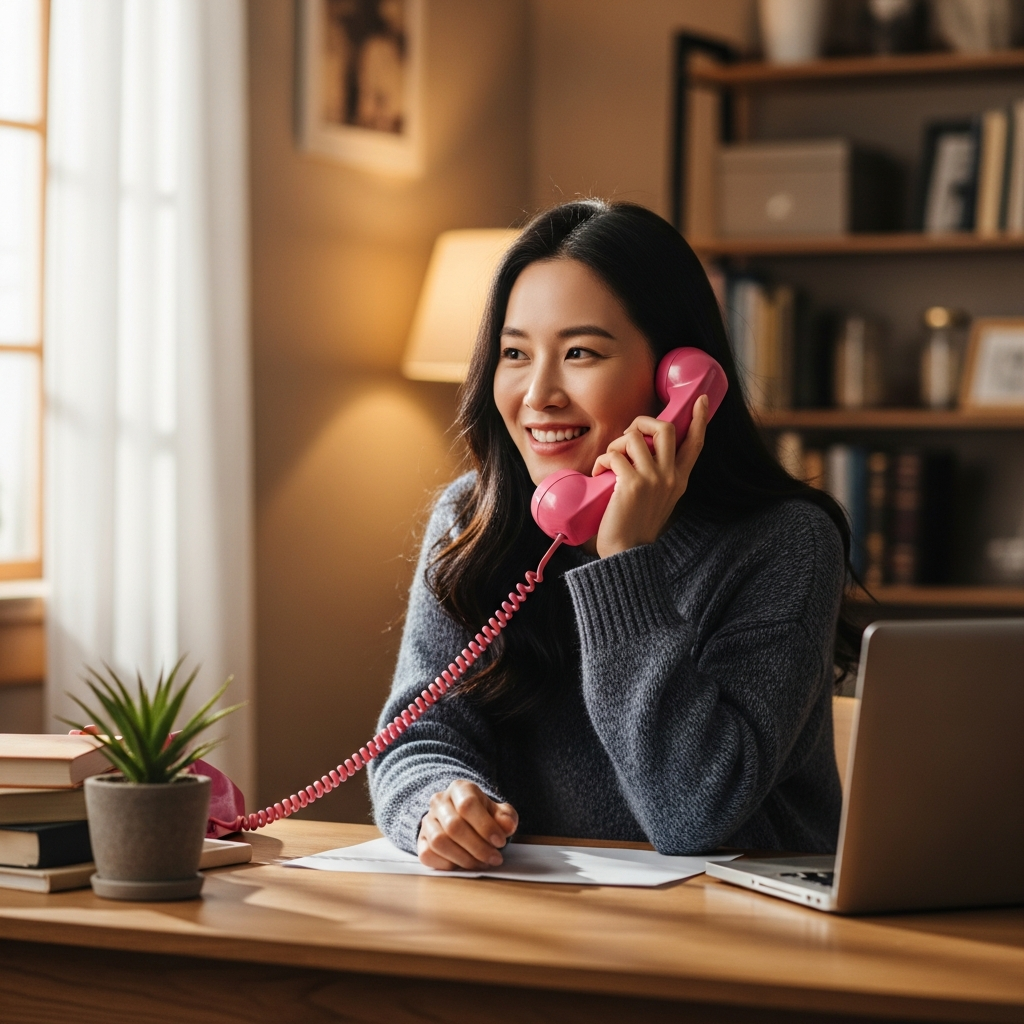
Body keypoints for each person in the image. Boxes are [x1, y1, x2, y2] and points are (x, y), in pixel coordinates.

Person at [368, 199, 857, 870]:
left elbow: (693, 814)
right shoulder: (473, 520)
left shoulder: (786, 544)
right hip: (541, 919)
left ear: (678, 377)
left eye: (580, 353)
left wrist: (623, 562)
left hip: (737, 935)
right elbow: (416, 739)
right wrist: (440, 805)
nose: (539, 393)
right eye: (515, 353)